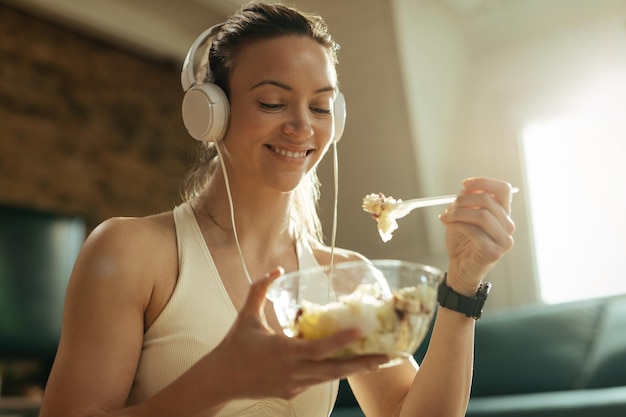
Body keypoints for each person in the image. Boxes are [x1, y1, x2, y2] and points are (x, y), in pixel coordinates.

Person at [39, 3, 516, 417]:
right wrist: (221, 379)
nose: (302, 127)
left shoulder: (345, 277)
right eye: (272, 102)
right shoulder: (131, 252)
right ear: (211, 113)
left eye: (321, 107)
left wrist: (462, 286)